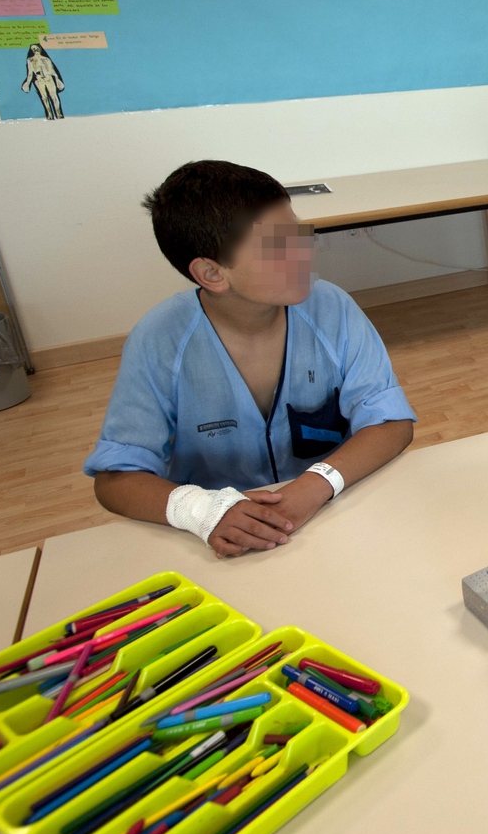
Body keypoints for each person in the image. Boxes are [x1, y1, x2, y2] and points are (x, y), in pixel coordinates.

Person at [85, 161, 416, 558]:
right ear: (211, 273)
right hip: (223, 542)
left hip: (331, 511)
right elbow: (116, 480)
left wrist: (314, 485)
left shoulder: (333, 308)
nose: (305, 252)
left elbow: (391, 423)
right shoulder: (160, 340)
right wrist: (204, 510)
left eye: (299, 232)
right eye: (278, 246)